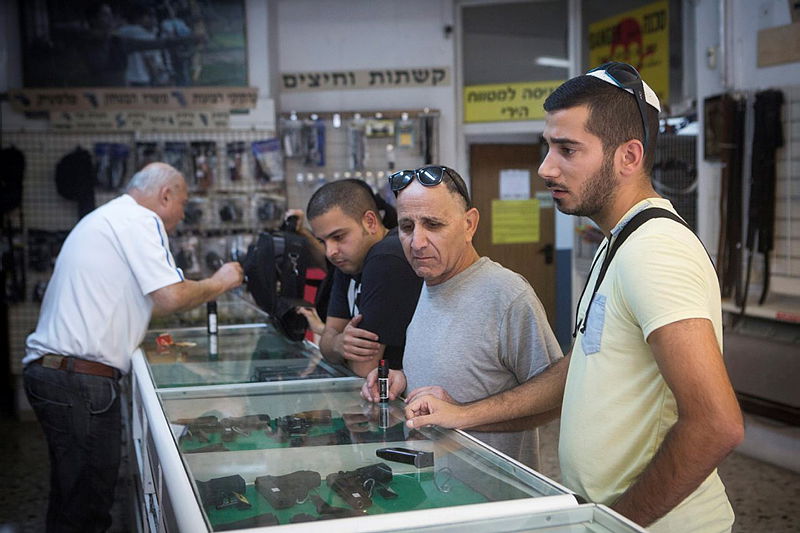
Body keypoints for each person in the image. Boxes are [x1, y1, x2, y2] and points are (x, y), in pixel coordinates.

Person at [403, 64, 744, 532]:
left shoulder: (655, 250)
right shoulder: (618, 243)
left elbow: (716, 423)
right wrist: (463, 415)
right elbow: (579, 368)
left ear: (628, 156)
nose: (546, 167)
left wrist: (618, 524)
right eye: (548, 147)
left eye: (568, 149)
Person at [23, 162, 243, 533]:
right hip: (79, 381)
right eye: (183, 203)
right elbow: (171, 295)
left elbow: (152, 302)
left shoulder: (110, 219)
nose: (182, 214)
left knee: (72, 500)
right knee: (87, 507)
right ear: (165, 195)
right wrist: (220, 282)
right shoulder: (140, 220)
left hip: (60, 375)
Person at [361, 166, 562, 468]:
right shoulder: (429, 281)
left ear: (469, 225)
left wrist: (464, 415)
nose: (417, 242)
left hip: (491, 499)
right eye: (406, 227)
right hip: (436, 492)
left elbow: (554, 400)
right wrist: (402, 379)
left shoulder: (506, 294)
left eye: (433, 224)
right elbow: (462, 372)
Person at [306, 179, 422, 377]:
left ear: (370, 222)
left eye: (339, 237)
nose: (330, 252)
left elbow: (364, 370)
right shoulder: (349, 263)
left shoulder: (386, 258)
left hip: (410, 401)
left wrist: (336, 345)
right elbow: (328, 339)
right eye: (322, 241)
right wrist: (337, 344)